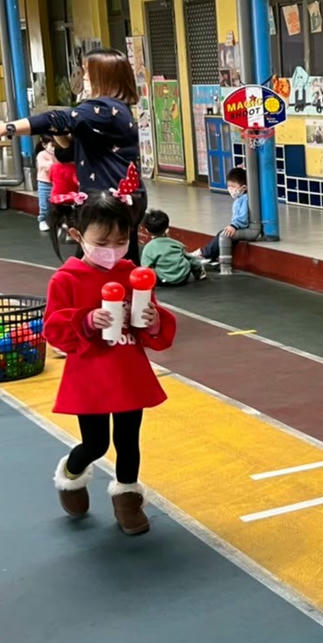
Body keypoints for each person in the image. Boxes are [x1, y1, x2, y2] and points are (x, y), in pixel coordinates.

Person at [42, 185, 177, 536]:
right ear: (78, 236)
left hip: (128, 372)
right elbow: (54, 330)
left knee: (128, 441)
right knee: (96, 443)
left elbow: (152, 330)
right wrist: (86, 321)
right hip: (90, 377)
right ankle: (71, 475)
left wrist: (153, 321)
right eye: (102, 243)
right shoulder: (66, 280)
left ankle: (127, 500)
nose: (112, 250)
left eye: (120, 241)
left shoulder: (133, 274)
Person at [0, 48, 145, 261]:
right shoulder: (103, 113)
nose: (83, 78)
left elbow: (58, 118)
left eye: (88, 73)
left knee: (99, 261)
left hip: (111, 201)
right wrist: (60, 132)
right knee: (113, 261)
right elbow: (67, 151)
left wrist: (7, 127)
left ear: (104, 77)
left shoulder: (106, 109)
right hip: (109, 197)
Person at [192, 167, 259, 265]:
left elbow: (243, 217)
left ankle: (204, 253)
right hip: (240, 228)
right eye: (229, 186)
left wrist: (234, 226)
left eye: (233, 186)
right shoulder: (239, 199)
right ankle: (212, 256)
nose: (230, 189)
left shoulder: (245, 199)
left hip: (243, 228)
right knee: (223, 234)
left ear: (244, 187)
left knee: (223, 234)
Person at [141, 209, 205, 285]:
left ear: (147, 230)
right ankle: (199, 274)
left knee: (149, 268)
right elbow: (191, 259)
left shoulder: (148, 248)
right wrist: (197, 269)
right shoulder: (177, 244)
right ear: (167, 228)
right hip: (182, 278)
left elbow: (145, 266)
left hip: (163, 280)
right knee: (188, 259)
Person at [35, 137, 55, 233]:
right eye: (52, 145)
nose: (54, 148)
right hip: (44, 183)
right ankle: (42, 220)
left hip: (57, 183)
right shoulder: (41, 155)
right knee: (44, 204)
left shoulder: (59, 153)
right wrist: (56, 163)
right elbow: (45, 166)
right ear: (44, 145)